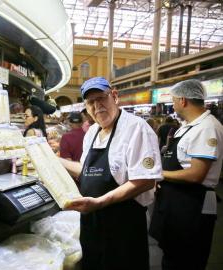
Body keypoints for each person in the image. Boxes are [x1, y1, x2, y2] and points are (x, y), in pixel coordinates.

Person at [60, 77, 162, 270]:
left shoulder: (136, 128)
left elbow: (146, 181)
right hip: (92, 222)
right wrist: (53, 160)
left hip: (123, 225)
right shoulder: (91, 133)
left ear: (114, 96)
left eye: (101, 98)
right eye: (91, 102)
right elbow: (87, 170)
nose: (97, 106)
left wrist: (100, 202)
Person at [149, 79, 223, 270]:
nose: (172, 105)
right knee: (172, 255)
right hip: (176, 203)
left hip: (191, 205)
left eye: (173, 100)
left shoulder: (207, 128)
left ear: (182, 100)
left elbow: (196, 175)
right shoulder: (189, 126)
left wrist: (159, 173)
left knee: (185, 260)